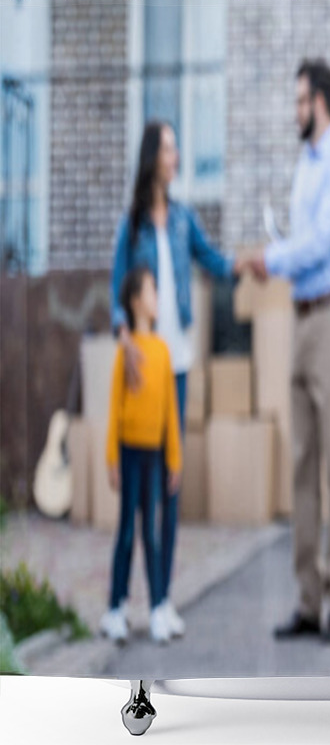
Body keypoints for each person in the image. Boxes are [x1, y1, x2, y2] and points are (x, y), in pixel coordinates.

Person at [109, 120, 257, 638]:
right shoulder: (131, 226)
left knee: (171, 483)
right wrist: (123, 339)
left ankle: (164, 602)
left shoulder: (184, 219)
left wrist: (245, 264)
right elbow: (115, 295)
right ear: (154, 158)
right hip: (141, 369)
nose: (176, 157)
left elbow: (213, 261)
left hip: (176, 366)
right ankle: (125, 603)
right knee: (139, 491)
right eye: (170, 148)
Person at [253, 59, 330, 644]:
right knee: (301, 465)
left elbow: (318, 245)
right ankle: (309, 600)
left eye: (299, 101)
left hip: (329, 321)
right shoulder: (304, 165)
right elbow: (300, 241)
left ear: (320, 102)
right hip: (299, 317)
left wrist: (269, 260)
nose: (295, 111)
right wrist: (277, 254)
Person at [100, 266, 182, 645]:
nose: (157, 298)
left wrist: (175, 460)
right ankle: (115, 609)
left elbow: (170, 413)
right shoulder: (127, 350)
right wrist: (111, 459)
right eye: (152, 290)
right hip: (130, 454)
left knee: (151, 533)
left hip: (154, 456)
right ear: (136, 301)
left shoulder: (163, 350)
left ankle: (157, 608)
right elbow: (114, 408)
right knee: (127, 532)